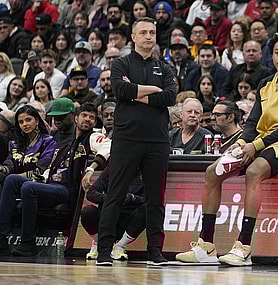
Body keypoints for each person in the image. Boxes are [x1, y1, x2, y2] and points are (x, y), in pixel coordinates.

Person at [176, 32, 278, 266]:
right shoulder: (265, 83)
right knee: (213, 172)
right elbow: (252, 122)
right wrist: (242, 144)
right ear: (271, 56)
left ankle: (243, 247)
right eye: (277, 53)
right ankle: (205, 246)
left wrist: (256, 146)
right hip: (256, 141)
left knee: (253, 172)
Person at [97, 17, 177, 266]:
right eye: (143, 32)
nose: (148, 36)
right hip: (127, 138)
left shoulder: (164, 67)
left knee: (156, 199)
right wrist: (153, 90)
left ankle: (155, 251)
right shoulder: (121, 63)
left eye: (152, 32)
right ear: (133, 37)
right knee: (115, 195)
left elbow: (171, 97)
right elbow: (120, 91)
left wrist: (140, 92)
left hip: (157, 140)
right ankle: (103, 250)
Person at [0, 103, 110, 256]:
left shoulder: (93, 137)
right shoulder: (66, 144)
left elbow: (108, 147)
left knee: (28, 188)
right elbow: (51, 168)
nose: (88, 120)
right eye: (84, 115)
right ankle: (2, 237)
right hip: (51, 184)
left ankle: (28, 243)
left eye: (92, 117)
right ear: (76, 118)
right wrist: (41, 178)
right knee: (11, 180)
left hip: (67, 189)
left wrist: (91, 169)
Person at [83, 162, 146, 260]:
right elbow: (91, 193)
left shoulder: (146, 170)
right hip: (107, 215)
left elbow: (149, 199)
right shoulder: (112, 168)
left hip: (128, 218)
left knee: (147, 209)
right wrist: (111, 199)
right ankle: (98, 242)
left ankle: (120, 246)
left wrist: (132, 198)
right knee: (87, 212)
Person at [0, 105, 56, 185]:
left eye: (28, 120)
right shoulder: (15, 143)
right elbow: (10, 164)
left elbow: (41, 169)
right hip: (13, 181)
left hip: (35, 182)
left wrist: (16, 177)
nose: (25, 124)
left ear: (37, 121)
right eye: (21, 122)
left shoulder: (48, 141)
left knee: (10, 179)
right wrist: (2, 169)